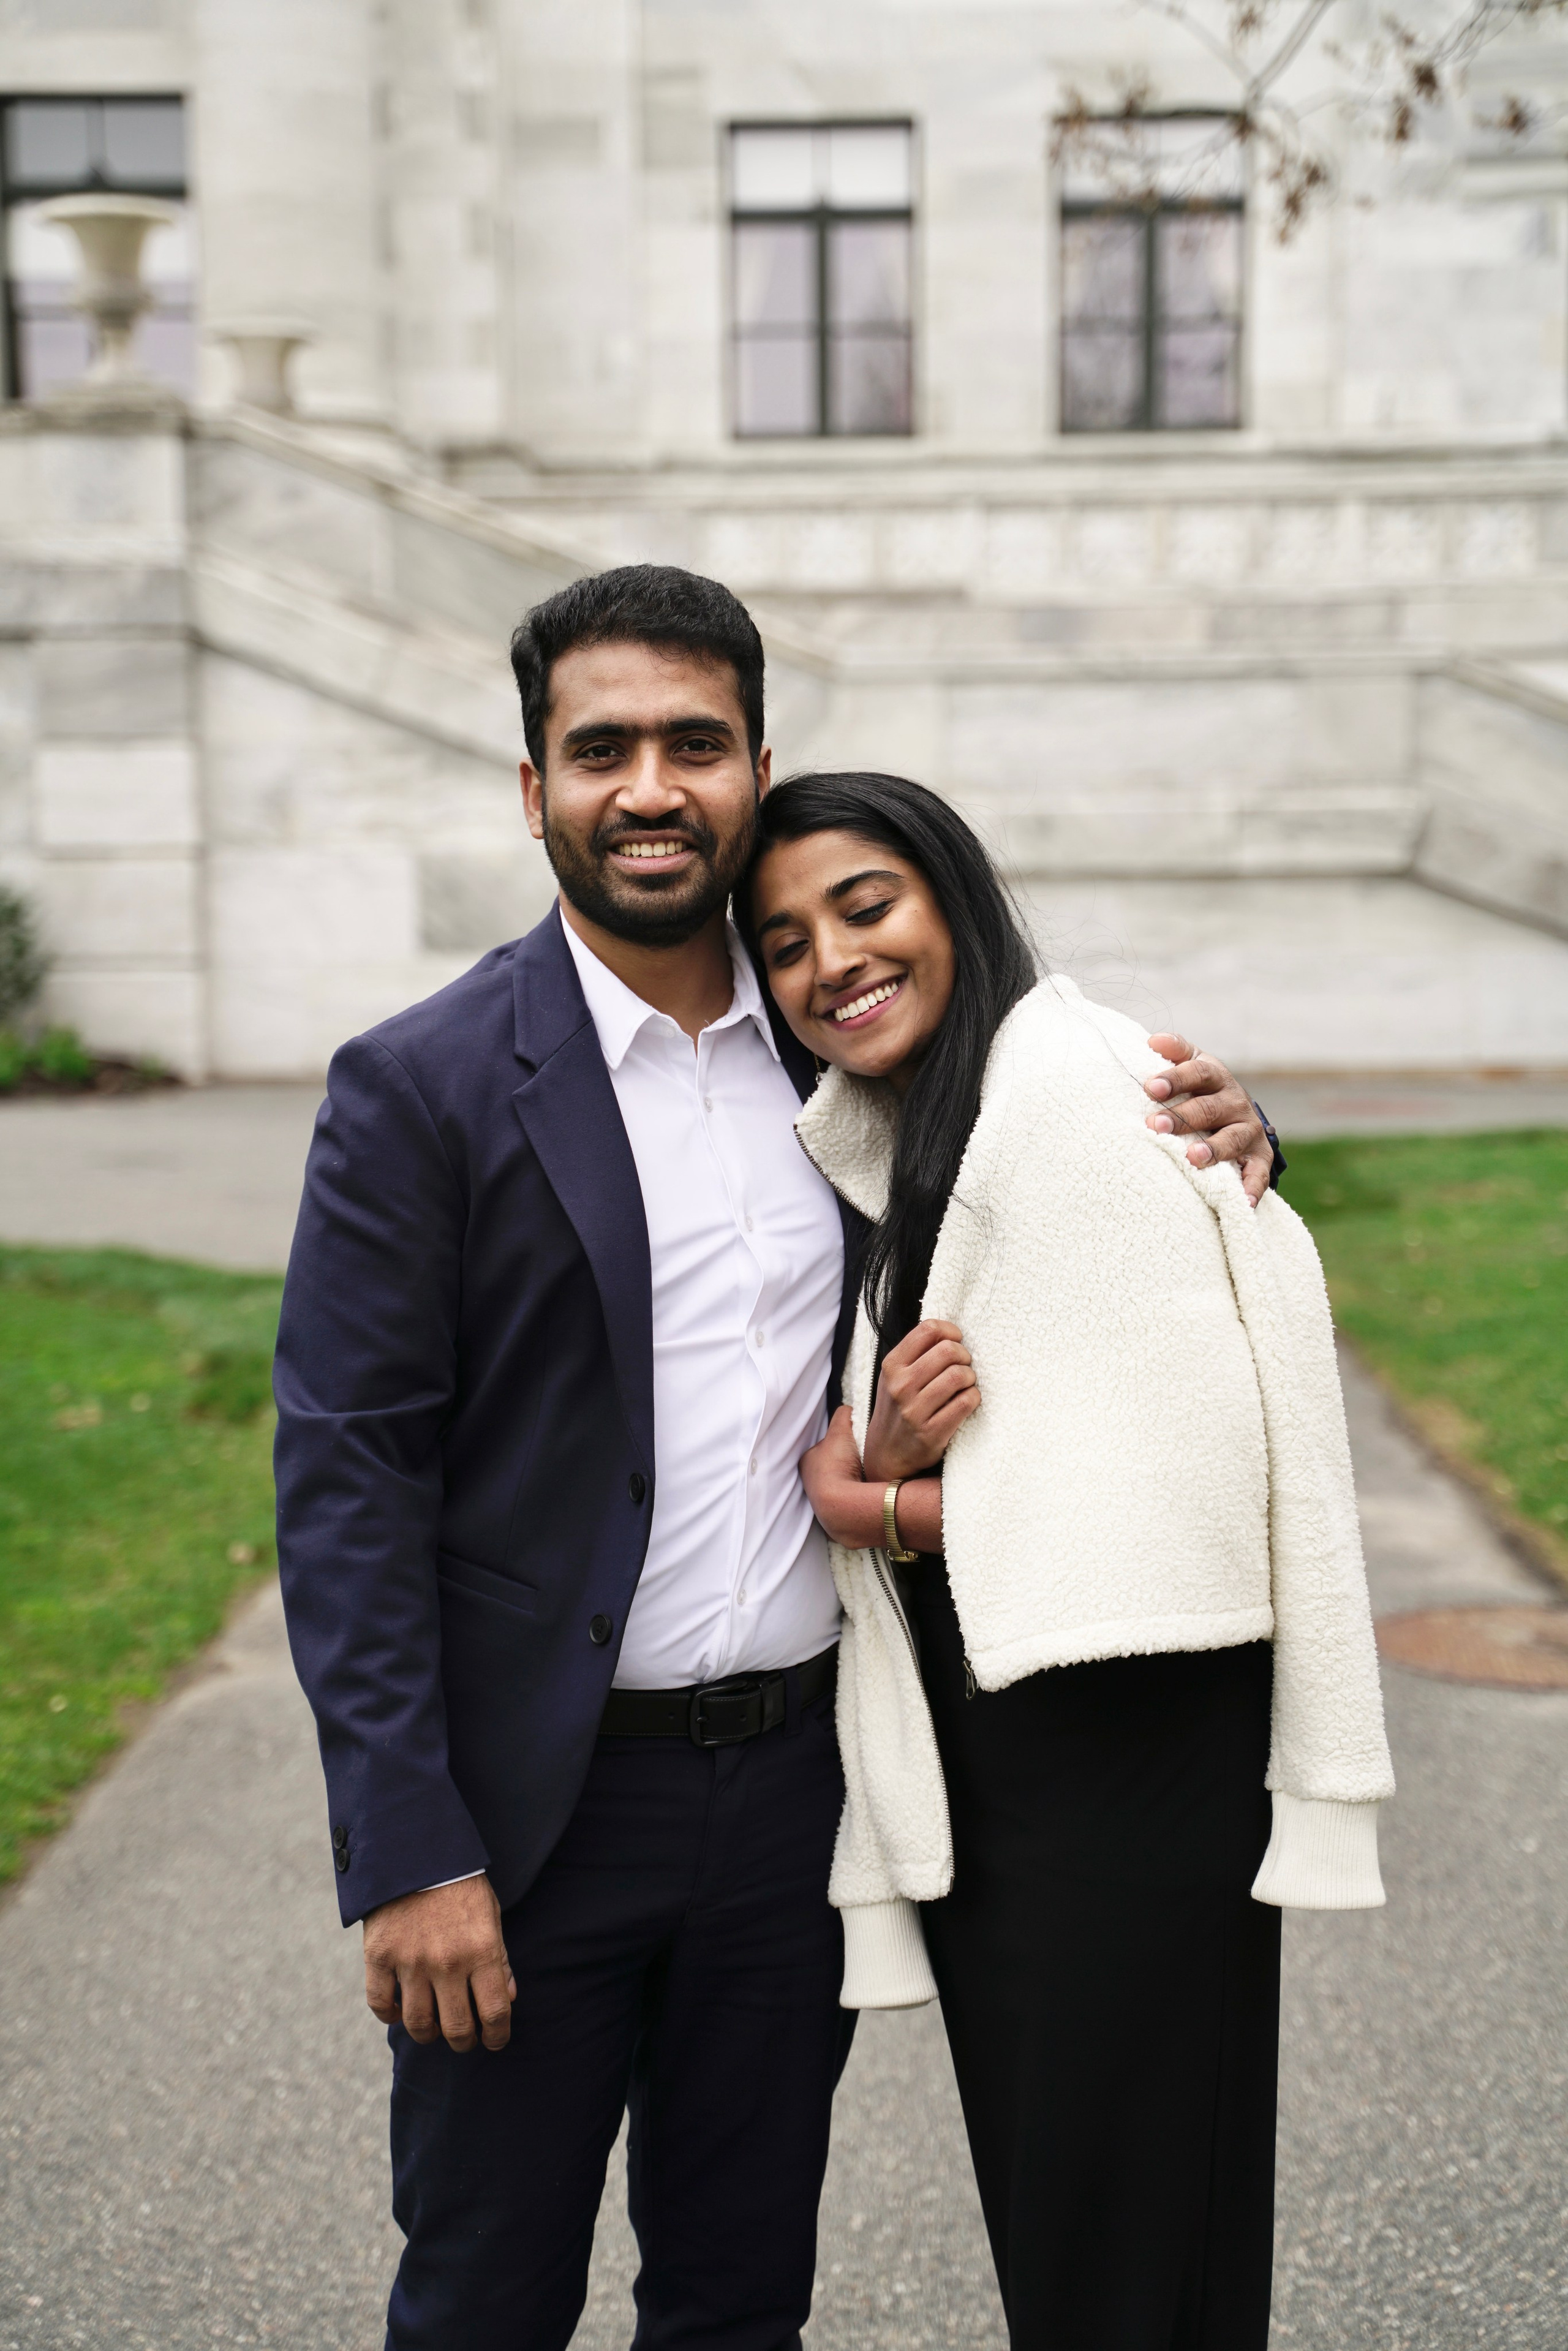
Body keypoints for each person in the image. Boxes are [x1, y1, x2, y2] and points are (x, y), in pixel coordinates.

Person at [273, 565, 1280, 2351]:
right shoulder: (419, 1085)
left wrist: (1234, 1130)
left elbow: (1067, 1152)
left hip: (791, 1803)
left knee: (741, 2299)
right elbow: (348, 1486)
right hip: (532, 1823)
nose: (649, 785)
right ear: (535, 791)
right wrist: (407, 1850)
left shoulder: (848, 1033)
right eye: (602, 749)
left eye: (694, 742)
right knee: (484, 2297)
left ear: (754, 767)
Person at [739, 769, 1395, 2351]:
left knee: (1114, 2221)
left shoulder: (1076, 1095)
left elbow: (1160, 1480)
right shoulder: (925, 1132)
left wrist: (873, 1505)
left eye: (864, 904)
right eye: (779, 942)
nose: (830, 960)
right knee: (1102, 2211)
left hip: (1123, 1748)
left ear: (954, 899)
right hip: (1029, 1757)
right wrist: (886, 1463)